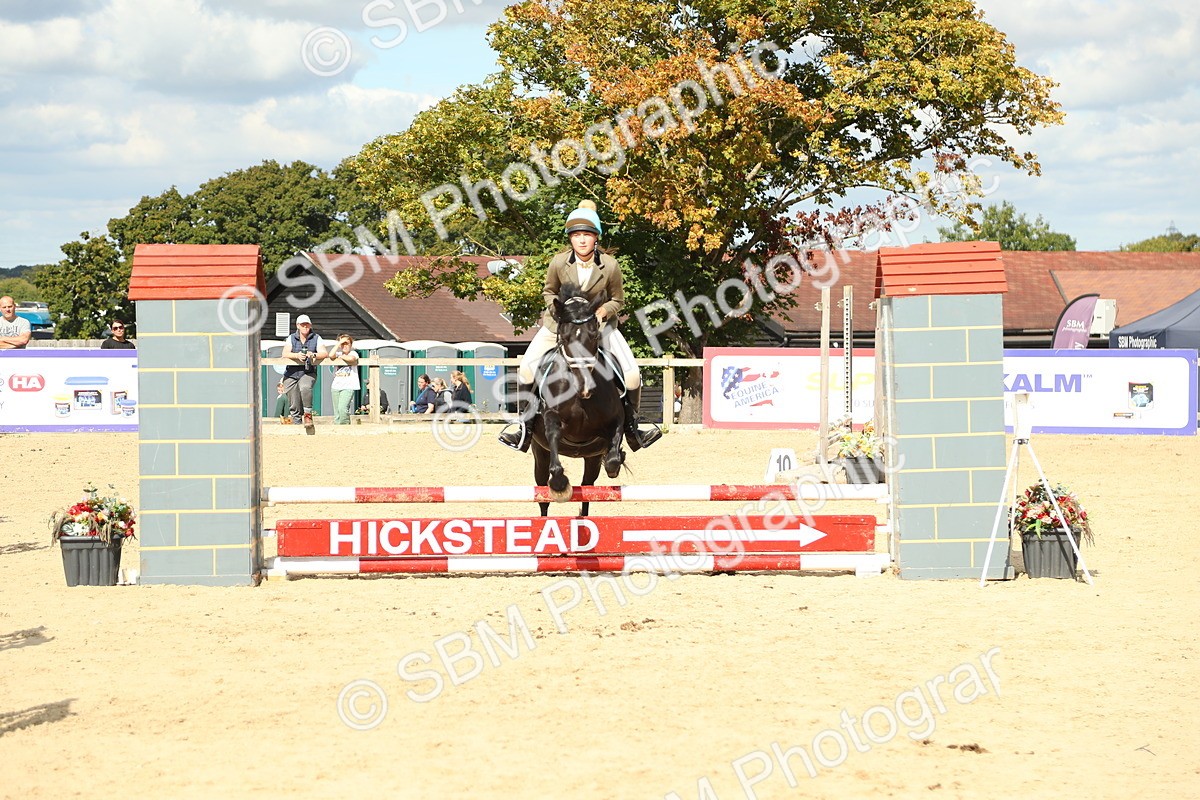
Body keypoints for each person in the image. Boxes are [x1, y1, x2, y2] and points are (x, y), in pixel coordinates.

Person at [498, 200, 661, 452]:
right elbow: (549, 292)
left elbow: (618, 299)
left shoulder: (610, 265)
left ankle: (632, 430)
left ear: (596, 238)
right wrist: (560, 311)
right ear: (570, 239)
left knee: (631, 376)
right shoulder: (558, 262)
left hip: (600, 329)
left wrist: (603, 311)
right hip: (560, 327)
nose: (582, 240)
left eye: (587, 235)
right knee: (526, 371)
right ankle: (524, 429)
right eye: (576, 235)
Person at [281, 314, 327, 427]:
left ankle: (307, 415)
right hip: (291, 373)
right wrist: (297, 355)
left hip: (308, 372)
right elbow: (285, 353)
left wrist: (313, 355)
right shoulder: (291, 338)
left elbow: (324, 353)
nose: (305, 327)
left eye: (307, 324)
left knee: (305, 387)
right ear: (298, 326)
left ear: (310, 325)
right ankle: (296, 422)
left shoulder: (317, 338)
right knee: (293, 400)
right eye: (302, 325)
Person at [329, 333, 360, 425]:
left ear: (351, 345)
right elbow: (331, 355)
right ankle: (337, 428)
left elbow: (352, 359)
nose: (345, 346)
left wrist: (341, 357)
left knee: (343, 408)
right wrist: (338, 343)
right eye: (343, 344)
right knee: (337, 412)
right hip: (336, 386)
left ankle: (345, 426)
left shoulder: (353, 353)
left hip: (348, 386)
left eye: (347, 344)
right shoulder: (337, 353)